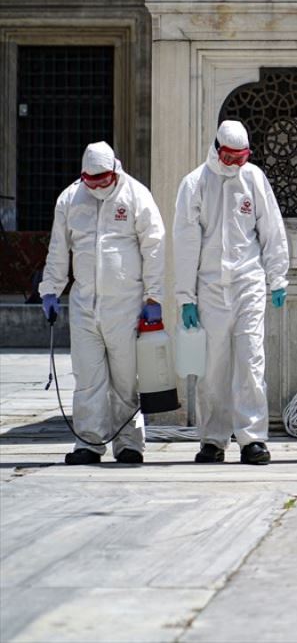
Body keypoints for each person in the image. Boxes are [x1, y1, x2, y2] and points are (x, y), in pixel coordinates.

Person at [39, 142, 165, 465]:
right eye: (90, 180)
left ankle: (129, 444)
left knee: (126, 380)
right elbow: (57, 249)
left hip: (126, 307)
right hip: (84, 307)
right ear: (83, 176)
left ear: (115, 170)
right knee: (88, 379)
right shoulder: (70, 200)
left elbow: (154, 245)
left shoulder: (135, 195)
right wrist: (50, 290)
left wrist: (154, 297)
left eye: (103, 180)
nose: (97, 186)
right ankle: (89, 442)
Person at [174, 120, 289, 466]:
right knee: (213, 369)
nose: (236, 164)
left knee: (251, 362)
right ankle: (213, 439)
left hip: (248, 283)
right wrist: (185, 297)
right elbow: (185, 243)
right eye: (230, 157)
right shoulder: (195, 184)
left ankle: (252, 439)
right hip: (210, 288)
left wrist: (278, 278)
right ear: (216, 149)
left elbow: (271, 229)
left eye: (242, 157)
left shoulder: (253, 179)